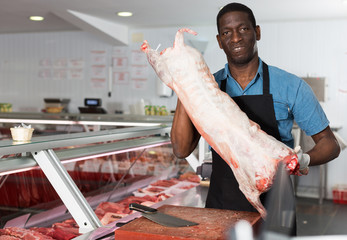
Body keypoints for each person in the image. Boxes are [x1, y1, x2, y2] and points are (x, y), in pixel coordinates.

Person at [170, 1, 340, 234]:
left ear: (257, 32)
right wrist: (185, 83)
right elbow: (181, 149)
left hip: (275, 204)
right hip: (222, 204)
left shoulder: (290, 86)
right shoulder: (208, 88)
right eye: (227, 32)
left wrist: (304, 160)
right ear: (220, 41)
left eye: (243, 29)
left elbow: (330, 144)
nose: (236, 38)